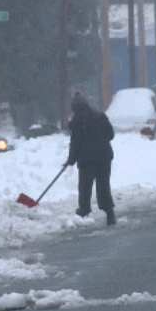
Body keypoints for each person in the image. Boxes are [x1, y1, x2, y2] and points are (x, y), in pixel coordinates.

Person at [64, 92, 116, 225]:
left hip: (87, 160)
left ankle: (84, 211)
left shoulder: (76, 122)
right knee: (103, 185)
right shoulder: (100, 117)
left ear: (75, 108)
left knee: (85, 186)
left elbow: (75, 144)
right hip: (104, 157)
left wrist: (71, 159)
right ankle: (110, 213)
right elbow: (111, 135)